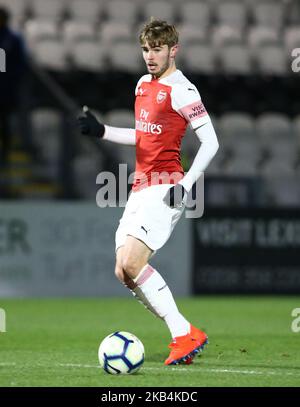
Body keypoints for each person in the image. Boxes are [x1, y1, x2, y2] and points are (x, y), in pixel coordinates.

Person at [78, 19, 219, 366]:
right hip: (139, 187)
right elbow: (144, 135)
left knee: (131, 262)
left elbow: (211, 142)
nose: (150, 56)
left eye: (157, 49)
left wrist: (185, 186)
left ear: (173, 50)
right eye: (145, 49)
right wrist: (103, 131)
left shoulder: (183, 90)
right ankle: (185, 331)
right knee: (122, 271)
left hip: (167, 186)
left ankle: (183, 335)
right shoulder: (143, 85)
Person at [0, 6, 28, 170]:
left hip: (5, 91)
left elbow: (19, 65)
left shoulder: (12, 39)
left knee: (5, 123)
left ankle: (5, 155)